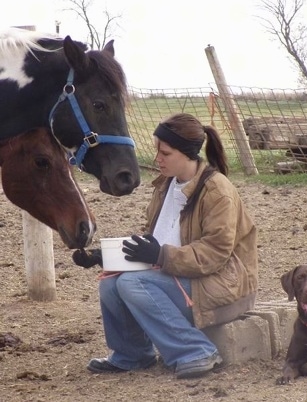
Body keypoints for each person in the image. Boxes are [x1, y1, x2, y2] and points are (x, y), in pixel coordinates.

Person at [72, 112, 258, 379]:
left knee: (132, 283)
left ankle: (197, 351)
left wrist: (160, 254)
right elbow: (156, 240)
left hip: (221, 284)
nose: (158, 158)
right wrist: (108, 257)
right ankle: (132, 355)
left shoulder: (217, 191)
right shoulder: (165, 185)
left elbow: (215, 253)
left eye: (166, 153)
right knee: (111, 283)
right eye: (157, 150)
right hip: (179, 276)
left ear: (188, 154)